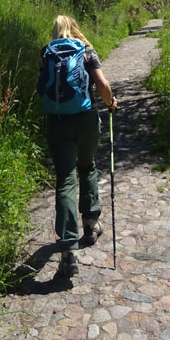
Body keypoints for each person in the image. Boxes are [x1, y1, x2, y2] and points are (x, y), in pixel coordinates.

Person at [41, 15, 117, 277]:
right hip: (85, 120)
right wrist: (110, 103)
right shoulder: (86, 50)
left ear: (55, 31)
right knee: (87, 165)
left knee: (65, 179)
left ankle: (67, 249)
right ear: (74, 29)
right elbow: (103, 85)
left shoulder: (47, 53)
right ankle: (91, 223)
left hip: (57, 121)